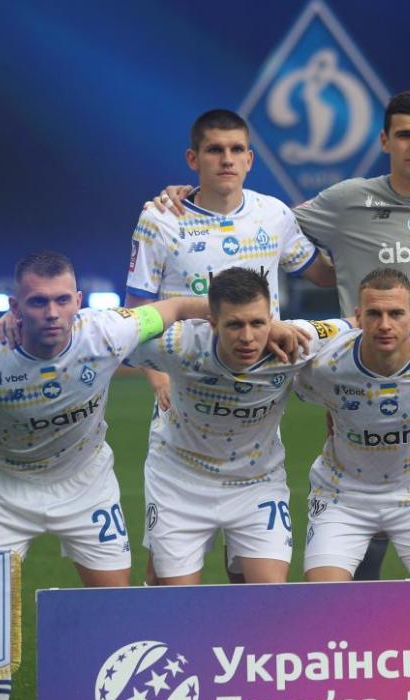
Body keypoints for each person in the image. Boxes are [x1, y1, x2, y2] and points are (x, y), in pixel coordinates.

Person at [155, 92, 410, 580]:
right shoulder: (346, 200)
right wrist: (194, 196)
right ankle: (357, 623)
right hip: (360, 379)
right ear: (384, 141)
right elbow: (259, 220)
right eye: (403, 135)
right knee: (362, 535)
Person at [0, 251, 211, 700]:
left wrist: (246, 316)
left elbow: (178, 306)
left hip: (85, 485)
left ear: (78, 301)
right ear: (16, 306)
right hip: (3, 488)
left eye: (63, 300)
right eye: (38, 302)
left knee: (114, 612)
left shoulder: (105, 331)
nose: (52, 312)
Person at [128, 108, 327, 584]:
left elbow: (322, 273)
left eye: (237, 150)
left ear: (250, 159)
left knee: (253, 584)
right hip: (187, 394)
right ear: (193, 158)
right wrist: (158, 377)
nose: (227, 159)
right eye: (215, 150)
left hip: (255, 403)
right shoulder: (161, 218)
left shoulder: (274, 215)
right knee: (170, 585)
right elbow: (135, 313)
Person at [124, 267, 339, 585]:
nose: (247, 337)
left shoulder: (297, 340)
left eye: (258, 323)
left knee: (270, 593)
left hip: (256, 482)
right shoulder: (180, 344)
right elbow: (116, 332)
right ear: (212, 322)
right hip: (180, 482)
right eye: (234, 324)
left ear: (272, 320)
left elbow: (359, 324)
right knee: (174, 598)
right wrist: (185, 306)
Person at [297, 268, 410, 580]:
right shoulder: (325, 366)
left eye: (396, 314)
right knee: (323, 596)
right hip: (342, 496)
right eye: (374, 314)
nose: (385, 325)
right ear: (358, 317)